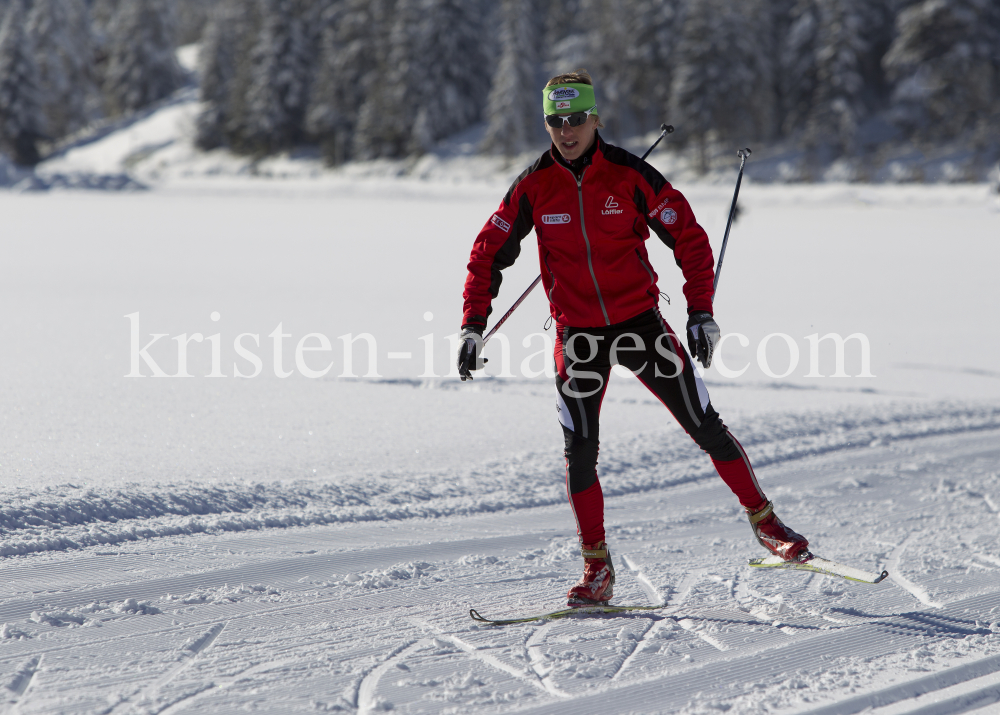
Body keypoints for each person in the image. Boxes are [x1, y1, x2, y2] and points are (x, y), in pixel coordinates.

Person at [457, 70, 809, 607]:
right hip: (578, 336)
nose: (567, 130)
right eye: (556, 121)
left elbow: (689, 237)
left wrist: (700, 312)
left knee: (704, 425)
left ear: (596, 118)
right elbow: (487, 252)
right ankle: (597, 568)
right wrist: (473, 324)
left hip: (641, 325)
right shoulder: (533, 185)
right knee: (579, 453)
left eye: (577, 119)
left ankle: (767, 523)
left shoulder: (630, 175)